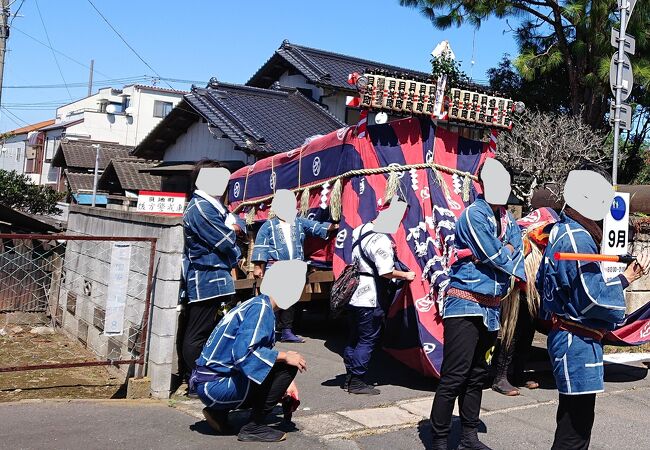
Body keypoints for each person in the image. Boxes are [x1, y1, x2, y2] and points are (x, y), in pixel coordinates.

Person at [536, 170, 650, 450]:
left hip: (567, 334)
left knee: (570, 420)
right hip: (577, 340)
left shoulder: (559, 231)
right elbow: (592, 298)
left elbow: (542, 281)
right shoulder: (577, 238)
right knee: (575, 429)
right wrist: (626, 278)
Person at [430, 159, 526, 450]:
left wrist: (503, 251)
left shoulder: (505, 216)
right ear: (481, 184)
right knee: (455, 376)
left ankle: (469, 437)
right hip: (465, 305)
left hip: (491, 307)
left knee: (477, 376)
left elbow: (516, 246)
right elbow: (493, 254)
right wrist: (503, 251)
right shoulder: (473, 215)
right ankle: (439, 440)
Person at [191, 260, 309, 443]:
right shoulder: (261, 309)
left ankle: (217, 412)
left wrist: (284, 384)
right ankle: (254, 427)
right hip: (215, 386)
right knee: (288, 366)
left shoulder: (256, 304)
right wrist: (285, 358)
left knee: (282, 367)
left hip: (207, 382)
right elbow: (244, 354)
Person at [343, 197, 416, 395]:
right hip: (370, 296)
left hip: (354, 293)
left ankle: (349, 376)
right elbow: (385, 272)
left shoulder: (360, 230)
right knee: (368, 338)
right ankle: (357, 380)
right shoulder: (382, 239)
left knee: (354, 336)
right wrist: (406, 275)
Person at [180, 162, 245, 383]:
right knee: (199, 333)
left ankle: (200, 376)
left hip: (215, 278)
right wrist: (235, 237)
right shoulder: (201, 208)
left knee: (210, 331)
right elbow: (226, 239)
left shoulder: (213, 206)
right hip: (206, 278)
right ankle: (197, 379)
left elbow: (238, 224)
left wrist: (235, 229)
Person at [252, 189, 336, 343]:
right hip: (275, 265)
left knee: (289, 299)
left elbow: (316, 227)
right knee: (273, 299)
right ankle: (264, 329)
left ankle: (286, 331)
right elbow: (261, 246)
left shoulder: (299, 222)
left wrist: (335, 225)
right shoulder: (268, 226)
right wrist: (259, 266)